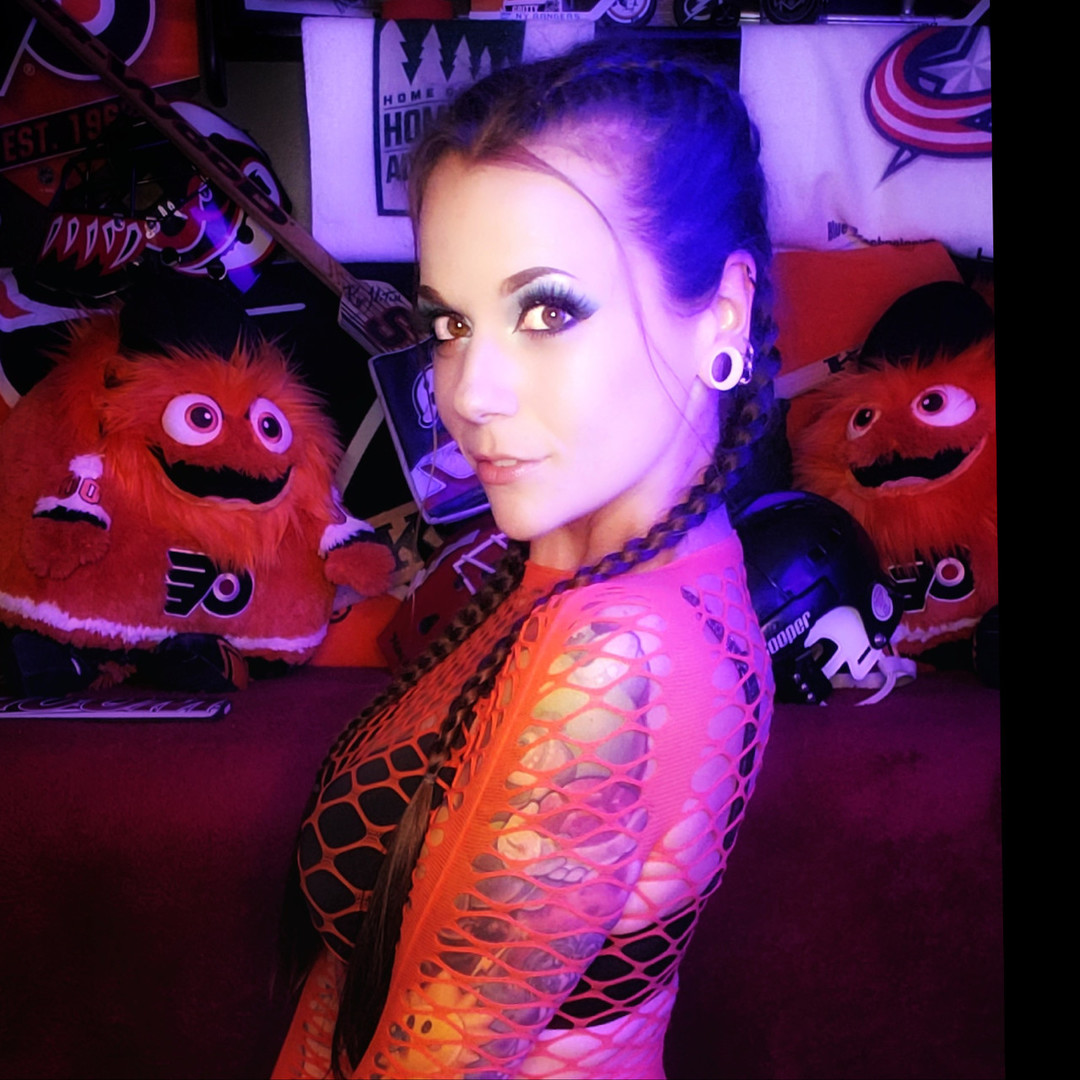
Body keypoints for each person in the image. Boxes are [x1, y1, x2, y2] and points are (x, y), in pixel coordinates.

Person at [274, 37, 782, 1080]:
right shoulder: (590, 567)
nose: (467, 392)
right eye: (450, 323)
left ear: (722, 313)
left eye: (547, 311)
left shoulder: (614, 661)